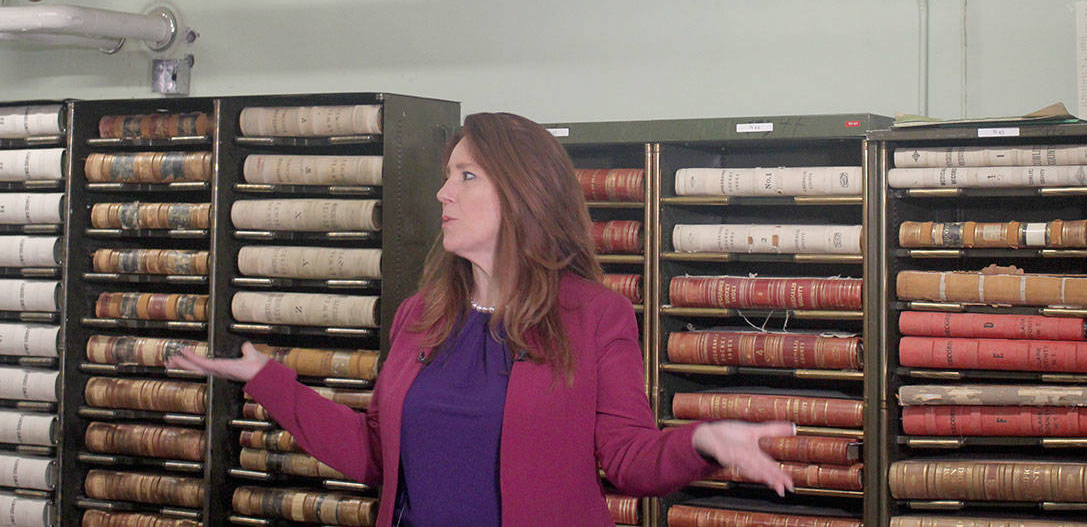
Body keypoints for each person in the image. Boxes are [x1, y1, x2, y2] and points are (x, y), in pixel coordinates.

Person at [172, 111, 795, 526]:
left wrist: (702, 440)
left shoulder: (595, 315)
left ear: (523, 195)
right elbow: (377, 456)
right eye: (448, 177)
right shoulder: (421, 317)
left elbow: (627, 458)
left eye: (466, 177)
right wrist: (266, 378)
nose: (443, 193)